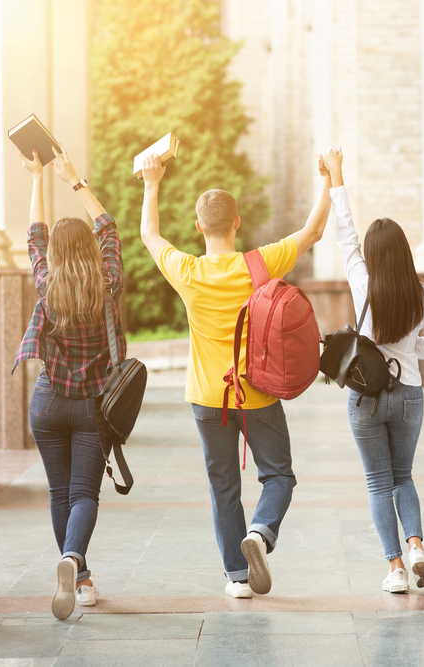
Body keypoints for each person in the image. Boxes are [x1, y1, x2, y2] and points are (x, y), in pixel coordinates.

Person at [139, 152, 331, 599]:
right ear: (237, 223)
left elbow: (149, 234)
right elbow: (314, 231)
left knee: (223, 485)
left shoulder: (187, 271)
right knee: (278, 475)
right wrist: (327, 178)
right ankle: (261, 534)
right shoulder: (259, 263)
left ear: (198, 226)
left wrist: (152, 181)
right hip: (259, 395)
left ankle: (236, 578)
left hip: (207, 399)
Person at [322, 148, 424, 594]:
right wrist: (407, 346)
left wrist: (337, 174)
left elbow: (345, 236)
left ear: (373, 256)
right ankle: (417, 546)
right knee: (403, 476)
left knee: (378, 482)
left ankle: (395, 569)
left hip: (366, 395)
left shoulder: (361, 282)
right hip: (409, 392)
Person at [13, 146, 125, 619]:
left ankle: (78, 577)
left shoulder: (46, 281)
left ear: (56, 254)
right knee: (84, 494)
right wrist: (74, 181)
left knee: (61, 494)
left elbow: (35, 235)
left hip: (47, 402)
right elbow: (109, 230)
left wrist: (36, 178)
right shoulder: (107, 281)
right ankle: (74, 562)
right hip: (91, 405)